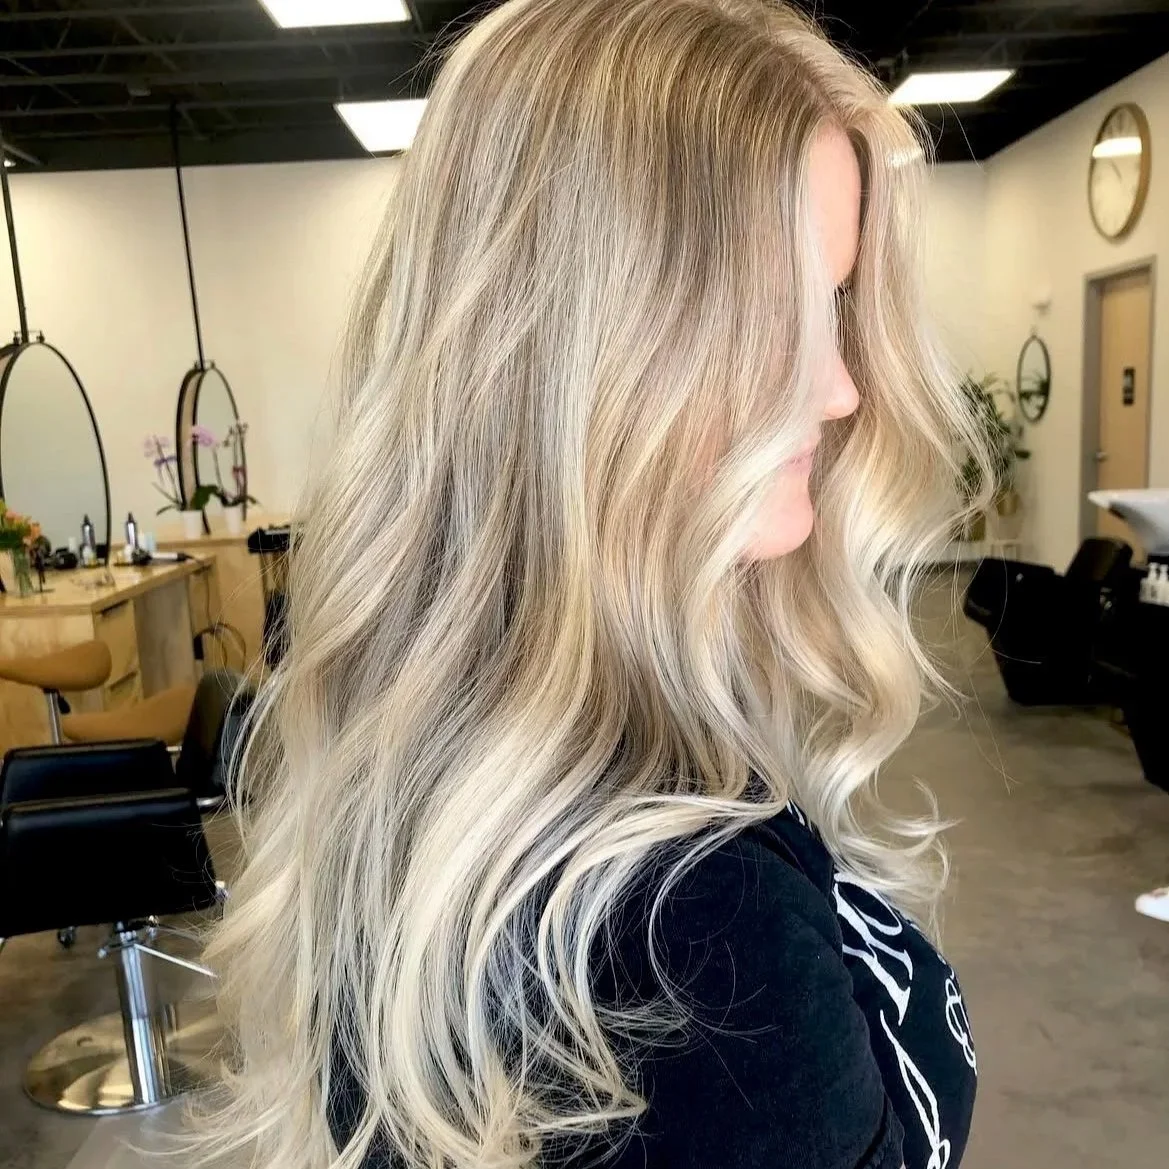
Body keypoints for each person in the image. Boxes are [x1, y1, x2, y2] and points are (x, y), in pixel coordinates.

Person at [190, 2, 994, 1167]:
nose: (841, 390)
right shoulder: (695, 942)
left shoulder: (434, 781)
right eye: (773, 318)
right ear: (592, 360)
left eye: (833, 304)